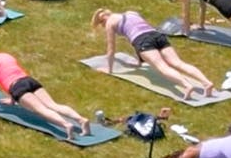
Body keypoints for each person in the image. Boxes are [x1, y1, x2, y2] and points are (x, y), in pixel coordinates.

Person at [0, 40, 93, 138]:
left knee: (41, 109)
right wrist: (12, 100)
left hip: (17, 87)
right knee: (53, 104)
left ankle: (66, 125)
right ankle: (81, 120)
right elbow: (8, 73)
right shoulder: (5, 55)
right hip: (29, 80)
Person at [89, 8, 217, 101]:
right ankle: (206, 82)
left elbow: (111, 48)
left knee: (162, 67)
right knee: (178, 63)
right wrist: (139, 62)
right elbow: (136, 32)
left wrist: (109, 70)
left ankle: (187, 86)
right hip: (157, 35)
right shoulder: (131, 13)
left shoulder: (110, 23)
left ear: (102, 20)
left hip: (143, 41)